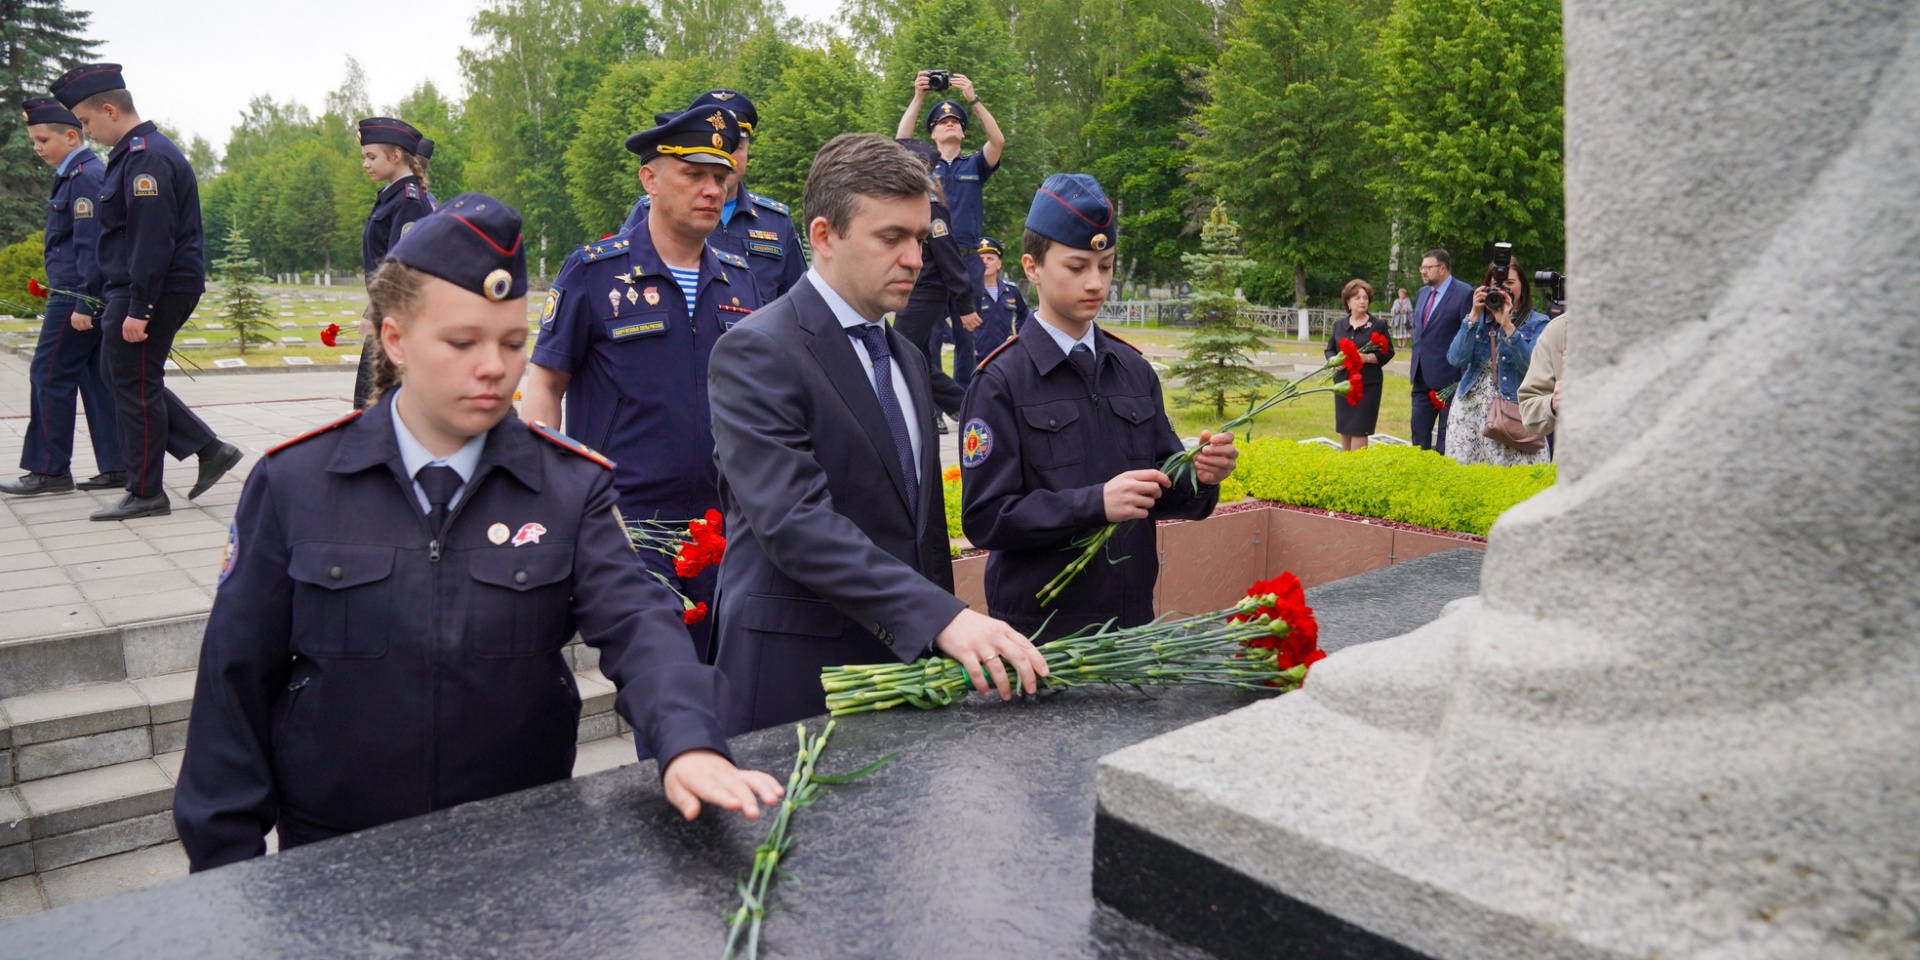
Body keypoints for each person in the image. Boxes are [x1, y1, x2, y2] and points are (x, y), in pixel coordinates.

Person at [171, 193, 783, 873]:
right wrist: (223, 871)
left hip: (521, 843)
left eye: (514, 342)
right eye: (462, 342)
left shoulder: (568, 486)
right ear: (396, 340)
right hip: (338, 854)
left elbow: (643, 627)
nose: (494, 366)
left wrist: (690, 741)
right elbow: (235, 684)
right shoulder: (297, 482)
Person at [707, 133, 1047, 734]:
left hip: (902, 677)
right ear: (824, 237)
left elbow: (919, 533)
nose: (915, 258)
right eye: (891, 238)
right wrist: (943, 618)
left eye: (919, 238)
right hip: (796, 687)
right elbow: (794, 523)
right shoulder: (756, 352)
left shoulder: (905, 356)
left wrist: (937, 641)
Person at [522, 108, 760, 664]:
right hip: (632, 526)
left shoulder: (740, 277)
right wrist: (544, 489)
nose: (712, 190)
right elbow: (545, 384)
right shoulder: (594, 273)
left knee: (725, 679)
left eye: (720, 178)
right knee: (663, 676)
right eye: (693, 175)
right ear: (649, 180)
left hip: (727, 523)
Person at [959, 174, 1238, 641]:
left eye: (1105, 266)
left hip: (1132, 623)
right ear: (1032, 267)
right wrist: (1094, 503)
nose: (1095, 283)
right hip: (1041, 633)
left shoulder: (1132, 369)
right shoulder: (1001, 381)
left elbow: (1162, 485)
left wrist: (1201, 475)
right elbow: (986, 519)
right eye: (1076, 266)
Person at [50, 64, 242, 521]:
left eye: (86, 120)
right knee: (124, 375)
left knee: (133, 385)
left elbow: (151, 240)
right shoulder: (133, 154)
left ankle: (145, 492)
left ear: (110, 110)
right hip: (138, 286)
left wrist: (140, 307)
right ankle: (208, 448)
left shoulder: (146, 158)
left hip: (150, 288)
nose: (85, 130)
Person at [0, 97, 122, 497]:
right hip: (77, 291)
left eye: (43, 139)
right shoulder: (75, 174)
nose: (37, 148)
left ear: (71, 136)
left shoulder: (85, 176)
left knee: (48, 374)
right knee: (92, 377)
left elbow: (90, 246)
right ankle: (117, 465)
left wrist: (83, 301)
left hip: (74, 293)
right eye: (34, 141)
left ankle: (49, 469)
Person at [620, 90, 806, 302]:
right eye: (695, 173)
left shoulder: (775, 221)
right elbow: (619, 276)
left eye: (735, 148)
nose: (728, 160)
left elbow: (796, 302)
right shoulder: (652, 210)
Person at [896, 73, 1007, 393]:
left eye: (956, 121)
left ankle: (965, 400)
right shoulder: (923, 167)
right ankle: (931, 407)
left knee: (966, 336)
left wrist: (973, 98)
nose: (950, 123)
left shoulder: (974, 164)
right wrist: (918, 97)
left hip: (967, 260)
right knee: (926, 337)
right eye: (942, 121)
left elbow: (998, 141)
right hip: (930, 262)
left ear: (963, 131)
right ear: (931, 132)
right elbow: (900, 144)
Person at [887, 137, 979, 430]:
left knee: (899, 352)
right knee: (919, 359)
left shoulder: (931, 207)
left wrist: (964, 305)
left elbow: (949, 256)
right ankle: (968, 408)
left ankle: (965, 406)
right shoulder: (914, 203)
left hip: (927, 292)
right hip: (917, 290)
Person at [351, 116, 437, 410]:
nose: (366, 163)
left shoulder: (408, 201)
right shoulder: (394, 197)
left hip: (398, 318)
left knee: (377, 406)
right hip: (390, 315)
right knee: (374, 406)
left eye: (371, 156)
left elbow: (402, 266)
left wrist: (374, 312)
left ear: (396, 155)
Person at [1444, 255, 1552, 467]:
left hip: (1514, 410)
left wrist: (1508, 326)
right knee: (1467, 475)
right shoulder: (1479, 320)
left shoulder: (1539, 322)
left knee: (1519, 476)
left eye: (1511, 283)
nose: (1505, 289)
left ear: (1523, 285)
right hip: (1471, 411)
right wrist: (1473, 315)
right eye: (1497, 285)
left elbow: (1534, 368)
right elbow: (1456, 359)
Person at [1409, 249, 1474, 454]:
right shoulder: (1422, 293)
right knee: (1418, 436)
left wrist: (1464, 378)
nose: (1423, 272)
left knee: (1446, 441)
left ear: (1443, 269)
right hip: (1421, 377)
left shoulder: (1464, 293)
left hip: (1449, 380)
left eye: (1428, 267)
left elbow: (1468, 336)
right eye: (1422, 267)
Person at [1324, 278, 1394, 451]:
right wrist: (1333, 362)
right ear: (1348, 302)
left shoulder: (1377, 325)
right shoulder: (1340, 325)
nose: (1362, 301)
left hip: (1366, 386)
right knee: (1345, 427)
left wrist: (1367, 357)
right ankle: (1347, 466)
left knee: (1359, 428)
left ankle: (1357, 468)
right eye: (1357, 298)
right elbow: (1330, 349)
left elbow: (1388, 351)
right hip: (1343, 384)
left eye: (1365, 298)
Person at [1518, 311, 1572, 446]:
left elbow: (1524, 361)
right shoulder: (1560, 329)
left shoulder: (1538, 322)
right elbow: (1457, 358)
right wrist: (1553, 404)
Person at [970, 236, 1027, 362]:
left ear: (999, 264)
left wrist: (1019, 338)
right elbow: (950, 319)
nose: (985, 262)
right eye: (981, 259)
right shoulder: (968, 292)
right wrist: (967, 346)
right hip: (977, 358)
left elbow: (1024, 315)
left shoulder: (1011, 291)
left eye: (990, 258)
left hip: (1006, 356)